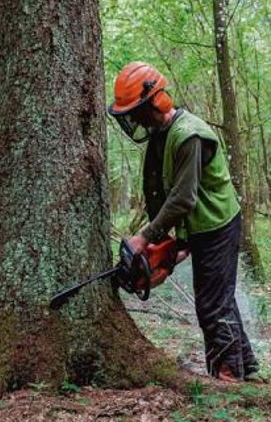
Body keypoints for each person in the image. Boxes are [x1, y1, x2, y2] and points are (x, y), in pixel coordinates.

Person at [107, 62, 259, 382]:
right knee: (218, 300)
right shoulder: (163, 137)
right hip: (201, 226)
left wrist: (145, 237)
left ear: (156, 102)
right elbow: (164, 193)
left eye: (137, 111)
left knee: (212, 305)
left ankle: (229, 378)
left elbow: (184, 197)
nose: (134, 119)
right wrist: (176, 244)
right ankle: (248, 368)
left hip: (217, 224)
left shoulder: (188, 135)